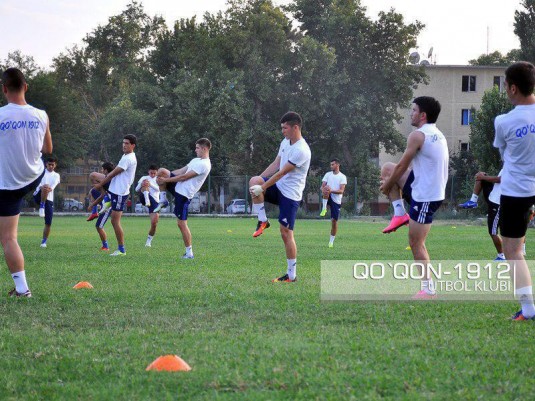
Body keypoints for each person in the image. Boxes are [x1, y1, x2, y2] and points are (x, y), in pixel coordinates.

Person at [380, 96, 449, 299]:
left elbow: (403, 165)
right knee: (387, 168)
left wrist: (387, 187)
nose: (411, 113)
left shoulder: (417, 135)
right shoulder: (437, 133)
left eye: (413, 110)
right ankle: (400, 213)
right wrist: (391, 181)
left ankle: (428, 290)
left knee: (416, 242)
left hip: (427, 195)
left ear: (423, 115)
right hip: (421, 187)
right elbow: (403, 168)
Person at [0, 67, 53, 297]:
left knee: (9, 238)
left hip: (7, 184)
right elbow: (48, 149)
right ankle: (38, 201)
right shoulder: (41, 115)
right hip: (32, 178)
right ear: (26, 87)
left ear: (4, 89)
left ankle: (23, 290)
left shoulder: (1, 115)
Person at [493, 61, 535, 321]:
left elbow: (503, 154)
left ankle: (528, 309)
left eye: (506, 85)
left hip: (517, 191)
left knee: (514, 251)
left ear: (513, 88)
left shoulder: (504, 121)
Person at [249, 111, 311, 283]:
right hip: (278, 187)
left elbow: (282, 173)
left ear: (295, 127)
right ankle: (263, 221)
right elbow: (276, 164)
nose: (282, 131)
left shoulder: (302, 150)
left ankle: (291, 275)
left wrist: (262, 188)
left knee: (286, 233)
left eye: (285, 128)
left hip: (291, 196)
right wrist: (259, 182)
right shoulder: (285, 142)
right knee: (254, 180)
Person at [155, 138, 212, 259]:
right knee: (161, 171)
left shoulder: (204, 164)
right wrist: (165, 177)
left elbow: (184, 177)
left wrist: (166, 180)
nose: (195, 150)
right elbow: (180, 172)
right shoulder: (196, 160)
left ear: (204, 149)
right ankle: (163, 199)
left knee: (181, 224)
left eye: (197, 148)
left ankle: (189, 253)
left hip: (184, 195)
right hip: (177, 187)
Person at [92, 135, 137, 256]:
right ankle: (107, 201)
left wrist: (100, 184)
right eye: (123, 143)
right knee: (93, 175)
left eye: (127, 143)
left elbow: (112, 174)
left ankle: (121, 250)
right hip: (114, 190)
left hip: (119, 193)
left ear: (133, 145)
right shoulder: (125, 156)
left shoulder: (128, 159)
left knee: (115, 222)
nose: (124, 145)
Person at [32, 157, 60, 248]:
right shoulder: (41, 172)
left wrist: (49, 188)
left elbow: (54, 185)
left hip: (49, 199)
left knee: (48, 223)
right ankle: (41, 205)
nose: (51, 166)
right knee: (45, 186)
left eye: (53, 165)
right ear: (46, 164)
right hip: (38, 195)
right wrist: (44, 187)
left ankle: (44, 242)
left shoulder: (56, 175)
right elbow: (38, 184)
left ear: (55, 165)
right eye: (49, 164)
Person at [87, 161, 115, 251]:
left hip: (108, 205)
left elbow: (93, 175)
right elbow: (102, 196)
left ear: (105, 170)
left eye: (102, 169)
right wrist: (92, 205)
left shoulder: (112, 179)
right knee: (92, 191)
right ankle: (94, 212)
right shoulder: (104, 182)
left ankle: (106, 247)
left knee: (99, 226)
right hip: (106, 202)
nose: (101, 171)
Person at [319, 158, 347, 248]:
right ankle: (324, 209)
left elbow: (341, 191)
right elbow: (322, 186)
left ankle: (331, 242)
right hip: (328, 196)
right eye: (330, 165)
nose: (331, 166)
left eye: (332, 164)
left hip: (336, 199)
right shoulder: (328, 174)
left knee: (334, 221)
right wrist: (324, 189)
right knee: (326, 189)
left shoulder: (342, 177)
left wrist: (331, 191)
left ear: (337, 165)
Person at [135, 165, 160, 247]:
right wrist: (142, 184)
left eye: (154, 173)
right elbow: (136, 189)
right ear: (148, 171)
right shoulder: (144, 177)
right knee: (145, 183)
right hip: (144, 198)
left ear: (157, 172)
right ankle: (147, 200)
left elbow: (159, 189)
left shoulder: (159, 179)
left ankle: (148, 241)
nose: (152, 175)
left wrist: (150, 185)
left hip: (155, 201)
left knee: (154, 223)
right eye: (151, 173)